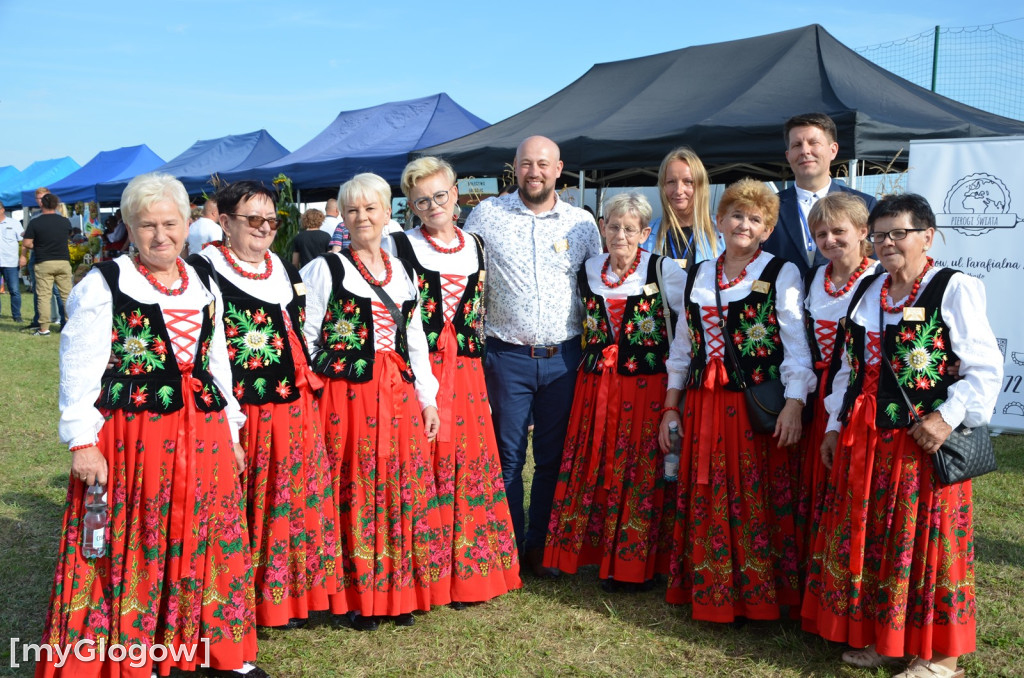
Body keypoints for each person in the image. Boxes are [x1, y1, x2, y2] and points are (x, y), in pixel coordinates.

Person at [36, 172, 265, 677]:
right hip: (136, 436)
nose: (160, 236)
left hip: (203, 433)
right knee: (137, 536)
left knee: (211, 533)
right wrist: (81, 440)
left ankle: (215, 651)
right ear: (130, 229)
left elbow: (217, 361)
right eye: (147, 226)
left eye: (169, 223)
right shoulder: (105, 283)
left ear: (189, 224)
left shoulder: (204, 281)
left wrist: (231, 430)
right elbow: (78, 367)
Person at [802, 194, 1002, 678]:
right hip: (866, 437)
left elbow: (984, 368)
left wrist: (946, 418)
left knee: (927, 544)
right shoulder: (870, 291)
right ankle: (885, 638)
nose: (887, 243)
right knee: (878, 539)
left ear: (926, 236)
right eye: (880, 234)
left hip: (921, 443)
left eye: (899, 233)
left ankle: (939, 657)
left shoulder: (954, 287)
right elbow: (852, 370)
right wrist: (833, 425)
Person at [659, 178, 815, 622]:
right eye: (737, 215)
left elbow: (796, 345)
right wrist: (672, 405)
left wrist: (794, 403)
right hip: (703, 401)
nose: (744, 225)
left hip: (752, 408)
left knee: (752, 495)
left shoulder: (781, 271)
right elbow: (683, 347)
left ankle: (758, 597)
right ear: (719, 221)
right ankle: (709, 588)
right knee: (706, 492)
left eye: (756, 219)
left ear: (767, 230)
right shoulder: (697, 273)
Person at [189, 180, 338, 630]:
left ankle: (295, 595)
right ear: (226, 221)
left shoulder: (280, 266)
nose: (264, 229)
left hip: (294, 403)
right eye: (253, 219)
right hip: (244, 406)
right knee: (249, 500)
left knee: (294, 499)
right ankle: (250, 600)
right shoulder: (202, 268)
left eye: (272, 221)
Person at [301, 172, 443, 630]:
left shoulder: (401, 270)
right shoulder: (327, 268)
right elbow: (307, 335)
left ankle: (400, 588)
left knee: (399, 486)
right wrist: (335, 374)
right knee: (355, 486)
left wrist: (428, 399)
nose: (362, 217)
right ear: (341, 215)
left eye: (371, 208)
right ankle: (358, 593)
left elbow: (414, 338)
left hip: (397, 394)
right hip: (347, 398)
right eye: (353, 209)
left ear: (387, 213)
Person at [464, 135, 602, 578]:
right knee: (506, 459)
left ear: (559, 168)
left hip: (564, 357)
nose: (534, 172)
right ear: (515, 168)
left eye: (543, 164)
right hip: (507, 356)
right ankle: (505, 551)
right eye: (526, 164)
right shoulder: (487, 214)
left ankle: (540, 549)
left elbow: (597, 285)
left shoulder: (581, 223)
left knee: (552, 459)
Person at [392, 156, 521, 607]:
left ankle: (468, 570)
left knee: (469, 463)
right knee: (420, 462)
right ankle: (422, 571)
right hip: (418, 370)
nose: (432, 206)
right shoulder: (398, 246)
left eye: (439, 196)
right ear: (411, 204)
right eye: (422, 199)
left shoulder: (477, 245)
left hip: (466, 371)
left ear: (456, 195)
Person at [543, 192, 685, 589]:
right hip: (596, 385)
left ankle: (633, 565)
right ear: (602, 227)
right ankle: (581, 552)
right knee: (591, 462)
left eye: (629, 228)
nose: (619, 234)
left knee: (639, 470)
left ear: (644, 232)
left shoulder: (665, 270)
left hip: (646, 387)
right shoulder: (588, 269)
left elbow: (688, 331)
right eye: (612, 225)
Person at [793, 193, 879, 579]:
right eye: (821, 233)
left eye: (839, 231)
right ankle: (814, 577)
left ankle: (847, 575)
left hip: (857, 394)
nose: (830, 240)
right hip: (817, 390)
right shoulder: (812, 278)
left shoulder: (880, 278)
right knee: (814, 484)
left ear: (863, 232)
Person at [765, 113, 877, 275]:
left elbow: (874, 264)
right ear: (788, 156)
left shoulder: (865, 204)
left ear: (833, 150)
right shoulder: (768, 207)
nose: (805, 151)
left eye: (813, 143)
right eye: (797, 145)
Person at [639, 147, 722, 268]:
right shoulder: (645, 235)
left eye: (688, 181)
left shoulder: (721, 232)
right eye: (671, 182)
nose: (678, 190)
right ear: (663, 186)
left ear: (700, 186)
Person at [22, 192, 72, 336]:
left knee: (44, 296)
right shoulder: (65, 222)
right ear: (56, 205)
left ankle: (44, 328)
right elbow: (66, 237)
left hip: (44, 262)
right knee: (67, 295)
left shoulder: (35, 222)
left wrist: (38, 246)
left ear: (42, 204)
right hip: (63, 261)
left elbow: (26, 243)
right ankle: (69, 324)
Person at [0, 200, 24, 322]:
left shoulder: (14, 223)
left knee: (14, 290)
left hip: (10, 262)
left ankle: (17, 315)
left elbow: (23, 242)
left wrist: (23, 257)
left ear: (3, 209)